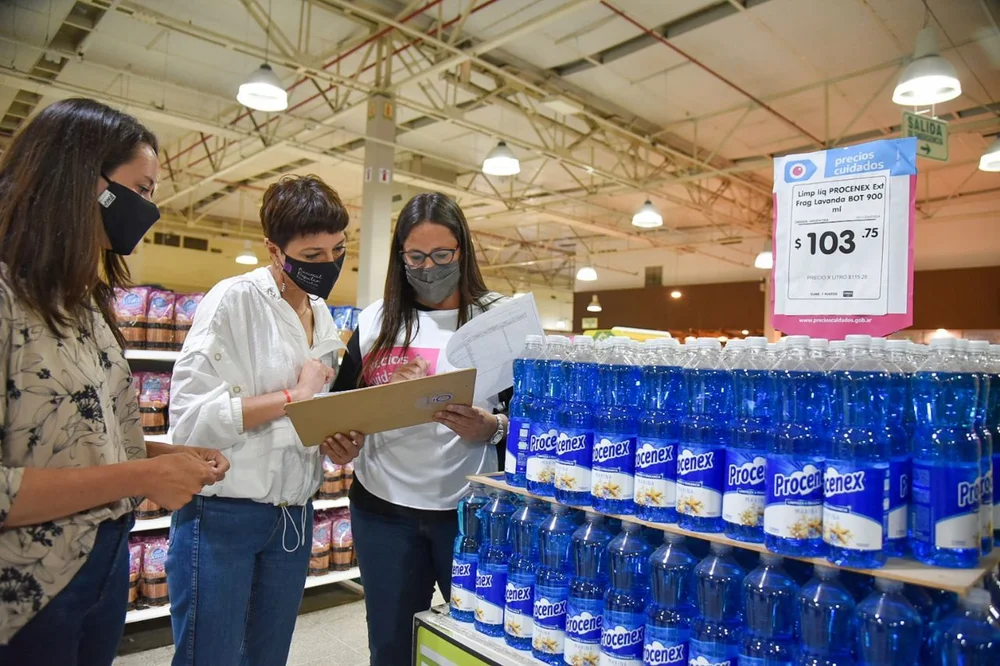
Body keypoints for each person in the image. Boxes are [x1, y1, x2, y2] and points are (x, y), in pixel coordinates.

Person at [0, 98, 228, 664]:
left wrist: (163, 456)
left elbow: (70, 439)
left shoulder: (83, 305)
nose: (149, 208)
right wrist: (143, 474)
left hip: (101, 565)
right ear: (84, 180)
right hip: (26, 593)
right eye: (141, 189)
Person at [166, 174, 365, 665]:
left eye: (338, 250)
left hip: (294, 518)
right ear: (274, 250)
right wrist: (294, 396)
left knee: (267, 657)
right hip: (224, 517)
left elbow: (307, 417)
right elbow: (189, 422)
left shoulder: (321, 313)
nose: (329, 263)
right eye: (312, 255)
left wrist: (334, 439)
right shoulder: (233, 301)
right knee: (209, 657)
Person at [332, 192, 510, 665]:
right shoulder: (376, 320)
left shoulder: (495, 319)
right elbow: (341, 405)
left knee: (480, 642)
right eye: (416, 256)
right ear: (400, 257)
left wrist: (493, 428)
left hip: (471, 511)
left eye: (442, 255)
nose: (429, 268)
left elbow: (532, 421)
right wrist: (343, 440)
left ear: (463, 251)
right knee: (390, 645)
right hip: (383, 509)